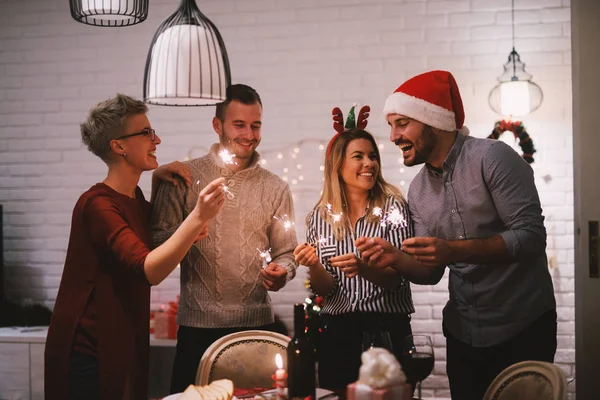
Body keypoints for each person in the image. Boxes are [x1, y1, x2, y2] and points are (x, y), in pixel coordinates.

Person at [356, 70, 557, 400]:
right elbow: (430, 272)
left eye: (402, 123)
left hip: (523, 329)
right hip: (463, 337)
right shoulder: (418, 189)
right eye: (391, 125)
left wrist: (452, 250)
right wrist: (395, 258)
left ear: (432, 121)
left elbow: (531, 238)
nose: (392, 136)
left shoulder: (492, 157)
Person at [44, 94, 226, 400]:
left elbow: (152, 236)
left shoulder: (135, 199)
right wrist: (197, 217)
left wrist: (156, 182)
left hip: (120, 339)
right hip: (89, 350)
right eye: (146, 133)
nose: (157, 140)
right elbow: (148, 269)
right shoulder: (96, 205)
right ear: (119, 146)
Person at [150, 84, 298, 394]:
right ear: (217, 125)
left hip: (257, 329)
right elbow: (157, 247)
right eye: (239, 124)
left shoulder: (275, 187)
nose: (249, 134)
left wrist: (283, 271)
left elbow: (287, 252)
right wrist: (191, 228)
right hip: (196, 332)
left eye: (255, 125)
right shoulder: (182, 178)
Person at [293, 105, 415, 393]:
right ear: (338, 165)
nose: (369, 163)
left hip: (386, 331)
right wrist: (313, 264)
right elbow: (325, 290)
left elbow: (398, 278)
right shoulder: (320, 217)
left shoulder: (393, 206)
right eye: (358, 156)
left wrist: (363, 268)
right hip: (338, 334)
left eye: (372, 156)